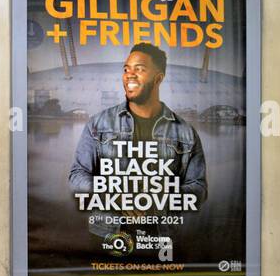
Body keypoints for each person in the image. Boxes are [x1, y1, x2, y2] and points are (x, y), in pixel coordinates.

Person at [68, 43, 207, 244]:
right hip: (106, 235)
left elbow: (199, 187)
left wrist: (158, 200)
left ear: (158, 79)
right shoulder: (98, 124)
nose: (130, 75)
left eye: (139, 69)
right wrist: (110, 195)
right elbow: (77, 176)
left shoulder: (185, 132)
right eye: (126, 69)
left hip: (162, 240)